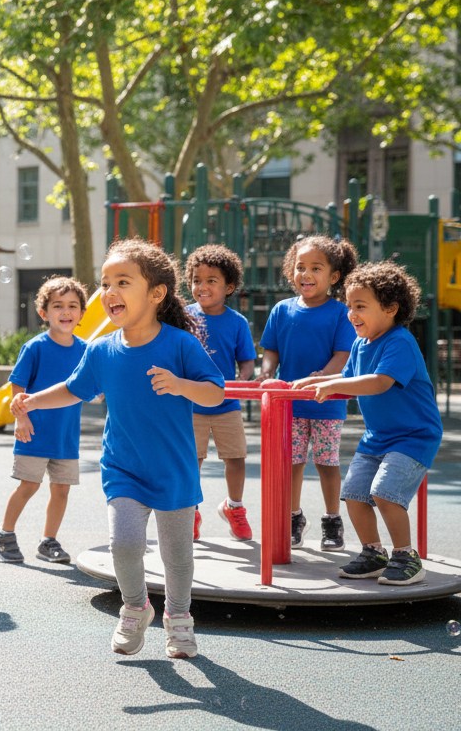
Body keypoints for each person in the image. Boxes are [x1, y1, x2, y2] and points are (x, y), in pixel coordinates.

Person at [11, 239, 224, 659]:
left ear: (156, 293)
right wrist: (33, 400)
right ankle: (135, 608)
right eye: (105, 283)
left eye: (122, 281)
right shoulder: (102, 349)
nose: (109, 291)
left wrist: (182, 385)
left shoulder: (180, 345)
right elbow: (74, 389)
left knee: (176, 555)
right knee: (124, 544)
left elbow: (216, 393)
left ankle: (178, 618)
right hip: (122, 468)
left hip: (174, 469)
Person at [296, 262, 441, 586]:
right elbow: (349, 376)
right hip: (378, 437)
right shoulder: (362, 344)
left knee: (385, 493)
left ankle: (406, 556)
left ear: (391, 309)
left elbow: (379, 382)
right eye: (350, 306)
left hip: (414, 436)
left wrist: (333, 387)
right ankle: (374, 553)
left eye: (360, 306)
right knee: (355, 494)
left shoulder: (399, 341)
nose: (352, 314)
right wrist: (316, 378)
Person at [257, 235, 357, 552]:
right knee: (292, 463)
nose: (306, 274)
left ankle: (332, 519)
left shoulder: (340, 313)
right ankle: (293, 517)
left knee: (327, 463)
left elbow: (343, 355)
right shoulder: (281, 310)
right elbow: (270, 350)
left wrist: (323, 378)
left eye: (316, 268)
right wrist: (267, 370)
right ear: (292, 272)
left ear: (334, 277)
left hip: (326, 401)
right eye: (300, 267)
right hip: (290, 403)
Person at [0, 276, 88, 564]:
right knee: (29, 486)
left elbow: (90, 385)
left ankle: (49, 542)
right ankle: (4, 533)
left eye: (72, 306)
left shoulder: (85, 350)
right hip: (33, 432)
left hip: (66, 436)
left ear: (82, 313)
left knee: (61, 490)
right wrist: (21, 420)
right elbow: (17, 391)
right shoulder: (35, 348)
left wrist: (98, 393)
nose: (65, 311)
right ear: (44, 313)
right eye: (58, 306)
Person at [184, 245, 257, 541]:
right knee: (192, 459)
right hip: (191, 404)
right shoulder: (183, 317)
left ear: (229, 287)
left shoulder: (237, 322)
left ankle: (234, 507)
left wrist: (242, 379)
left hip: (227, 404)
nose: (202, 286)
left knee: (236, 458)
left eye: (211, 281)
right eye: (196, 280)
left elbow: (247, 360)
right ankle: (191, 510)